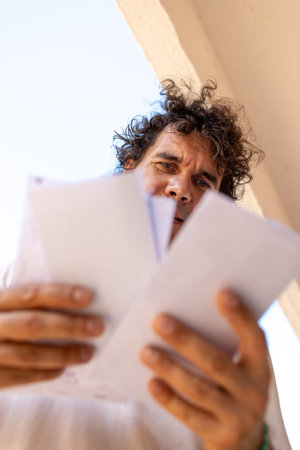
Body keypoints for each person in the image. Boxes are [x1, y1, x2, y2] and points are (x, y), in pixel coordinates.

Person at [0, 80, 290, 449]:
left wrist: (251, 443)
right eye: (166, 164)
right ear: (129, 171)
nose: (181, 188)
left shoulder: (231, 342)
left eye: (203, 182)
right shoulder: (24, 283)